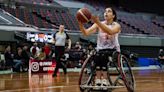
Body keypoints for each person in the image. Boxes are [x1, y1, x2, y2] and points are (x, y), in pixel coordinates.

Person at [77, 7, 121, 86]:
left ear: (113, 16)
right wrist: (80, 24)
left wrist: (97, 22)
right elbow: (86, 33)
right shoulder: (98, 24)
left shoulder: (117, 25)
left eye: (109, 11)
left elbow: (110, 32)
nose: (106, 13)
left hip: (113, 50)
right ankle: (98, 80)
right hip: (100, 50)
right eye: (105, 11)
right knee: (97, 55)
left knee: (103, 56)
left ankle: (104, 79)